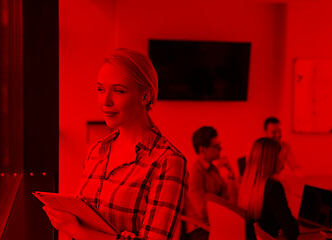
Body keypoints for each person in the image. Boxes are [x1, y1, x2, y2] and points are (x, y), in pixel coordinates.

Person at [43, 49, 189, 240]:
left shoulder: (168, 162)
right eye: (100, 89)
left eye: (119, 91)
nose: (105, 101)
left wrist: (75, 230)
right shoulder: (96, 151)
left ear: (145, 97)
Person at [238, 137, 299, 240]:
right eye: (281, 156)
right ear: (272, 159)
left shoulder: (248, 183)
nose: (283, 160)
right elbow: (292, 231)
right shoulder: (273, 187)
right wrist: (291, 224)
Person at [184, 126, 238, 240]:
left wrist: (231, 173)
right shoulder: (195, 172)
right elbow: (202, 211)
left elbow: (230, 203)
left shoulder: (213, 169)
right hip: (200, 229)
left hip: (215, 225)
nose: (221, 148)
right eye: (216, 146)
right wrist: (225, 211)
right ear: (202, 150)